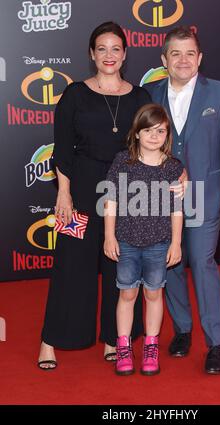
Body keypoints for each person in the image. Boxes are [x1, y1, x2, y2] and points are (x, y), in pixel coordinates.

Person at [38, 22, 151, 369]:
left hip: (127, 191)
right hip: (82, 189)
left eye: (115, 48)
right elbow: (63, 149)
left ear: (125, 54)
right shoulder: (74, 94)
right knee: (71, 262)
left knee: (121, 265)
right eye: (102, 48)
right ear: (91, 53)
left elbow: (149, 145)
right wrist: (65, 195)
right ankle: (50, 341)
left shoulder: (140, 97)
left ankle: (114, 338)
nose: (109, 55)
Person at [144, 27, 220, 374]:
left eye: (190, 53)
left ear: (200, 58)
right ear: (164, 60)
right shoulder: (149, 95)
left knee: (203, 265)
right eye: (176, 54)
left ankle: (216, 344)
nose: (183, 60)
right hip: (161, 196)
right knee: (170, 264)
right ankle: (183, 330)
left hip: (206, 194)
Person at [103, 104, 184, 375]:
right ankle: (123, 345)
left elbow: (177, 209)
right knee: (127, 293)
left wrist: (175, 242)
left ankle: (151, 345)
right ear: (137, 133)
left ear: (167, 134)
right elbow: (111, 201)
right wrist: (109, 236)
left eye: (160, 131)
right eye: (147, 130)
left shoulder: (173, 167)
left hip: (159, 243)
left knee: (153, 293)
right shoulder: (122, 162)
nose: (153, 135)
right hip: (126, 241)